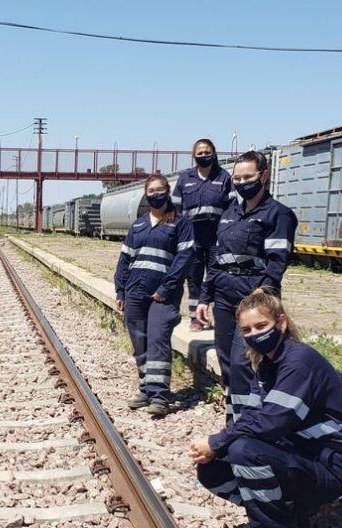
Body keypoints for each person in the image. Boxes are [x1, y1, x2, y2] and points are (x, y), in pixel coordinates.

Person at [189, 288, 342, 528]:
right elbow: (253, 416)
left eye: (261, 326)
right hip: (298, 457)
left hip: (327, 465)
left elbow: (271, 423)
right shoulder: (268, 365)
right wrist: (216, 449)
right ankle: (287, 516)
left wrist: (217, 441)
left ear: (281, 323)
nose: (255, 334)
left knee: (245, 452)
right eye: (247, 329)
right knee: (213, 468)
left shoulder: (299, 361)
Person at [196, 150, 297, 425]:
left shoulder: (278, 215)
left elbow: (278, 262)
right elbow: (216, 260)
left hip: (254, 300)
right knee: (227, 360)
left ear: (263, 176)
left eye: (247, 176)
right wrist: (205, 298)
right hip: (225, 298)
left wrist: (262, 294)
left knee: (244, 362)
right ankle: (236, 419)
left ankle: (247, 423)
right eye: (236, 177)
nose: (241, 182)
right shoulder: (229, 214)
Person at [114, 173, 195, 417]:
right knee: (140, 343)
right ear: (146, 194)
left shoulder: (180, 223)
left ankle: (160, 395)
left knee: (158, 340)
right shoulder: (138, 225)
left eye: (160, 190)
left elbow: (184, 259)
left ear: (167, 191)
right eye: (152, 191)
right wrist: (120, 289)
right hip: (135, 292)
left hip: (163, 295)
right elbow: (124, 259)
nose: (156, 195)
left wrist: (165, 288)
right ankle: (145, 390)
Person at [172, 139, 233, 330]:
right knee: (194, 275)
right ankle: (195, 318)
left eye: (207, 152)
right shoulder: (185, 179)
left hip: (216, 233)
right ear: (194, 155)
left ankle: (214, 314)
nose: (204, 155)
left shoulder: (223, 177)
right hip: (192, 234)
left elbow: (232, 207)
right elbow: (175, 208)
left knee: (216, 274)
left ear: (214, 153)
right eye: (200, 152)